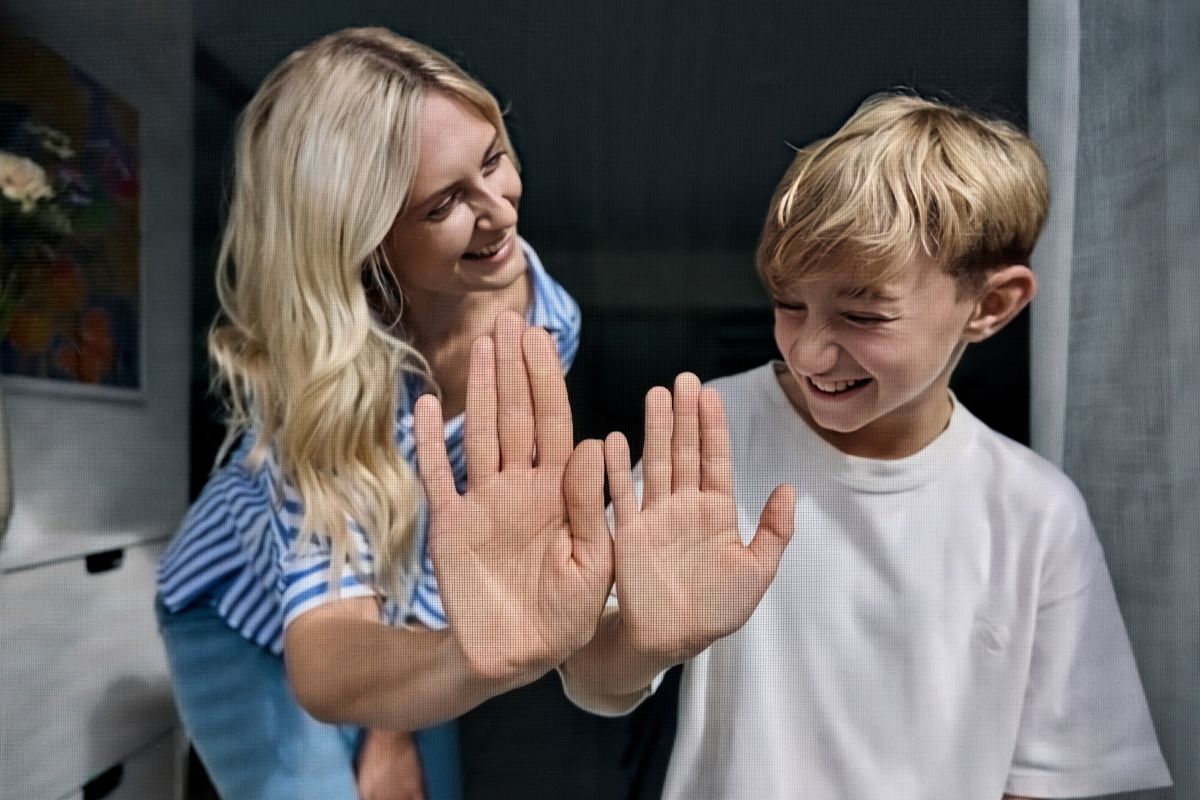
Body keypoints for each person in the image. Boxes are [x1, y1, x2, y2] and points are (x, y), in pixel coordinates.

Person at [559, 93, 1173, 798]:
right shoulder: (713, 437)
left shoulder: (1035, 515)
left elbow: (1054, 777)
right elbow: (592, 680)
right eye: (789, 303)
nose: (812, 349)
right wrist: (647, 640)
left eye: (862, 314)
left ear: (991, 305)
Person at [155, 28, 611, 799]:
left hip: (414, 607)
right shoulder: (318, 383)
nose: (498, 213)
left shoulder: (545, 321)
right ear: (367, 243)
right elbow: (329, 652)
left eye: (494, 159)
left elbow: (444, 536)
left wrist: (422, 698)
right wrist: (398, 724)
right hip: (249, 621)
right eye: (444, 203)